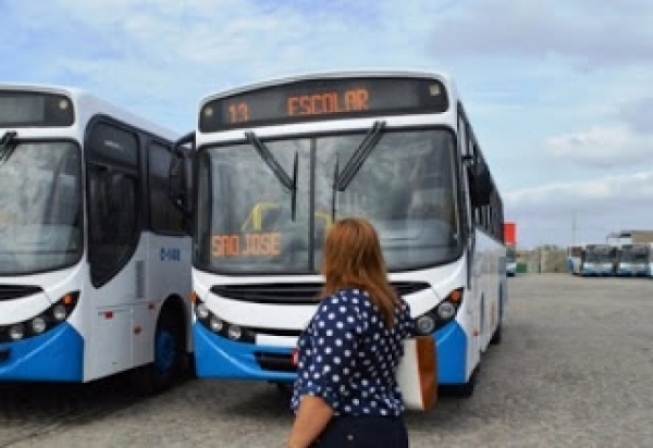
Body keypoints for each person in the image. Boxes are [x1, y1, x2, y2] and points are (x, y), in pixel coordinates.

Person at [287, 217, 414, 448]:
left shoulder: (341, 308)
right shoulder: (395, 305)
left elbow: (323, 392)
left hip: (348, 433)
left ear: (333, 256)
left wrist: (293, 445)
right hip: (390, 430)